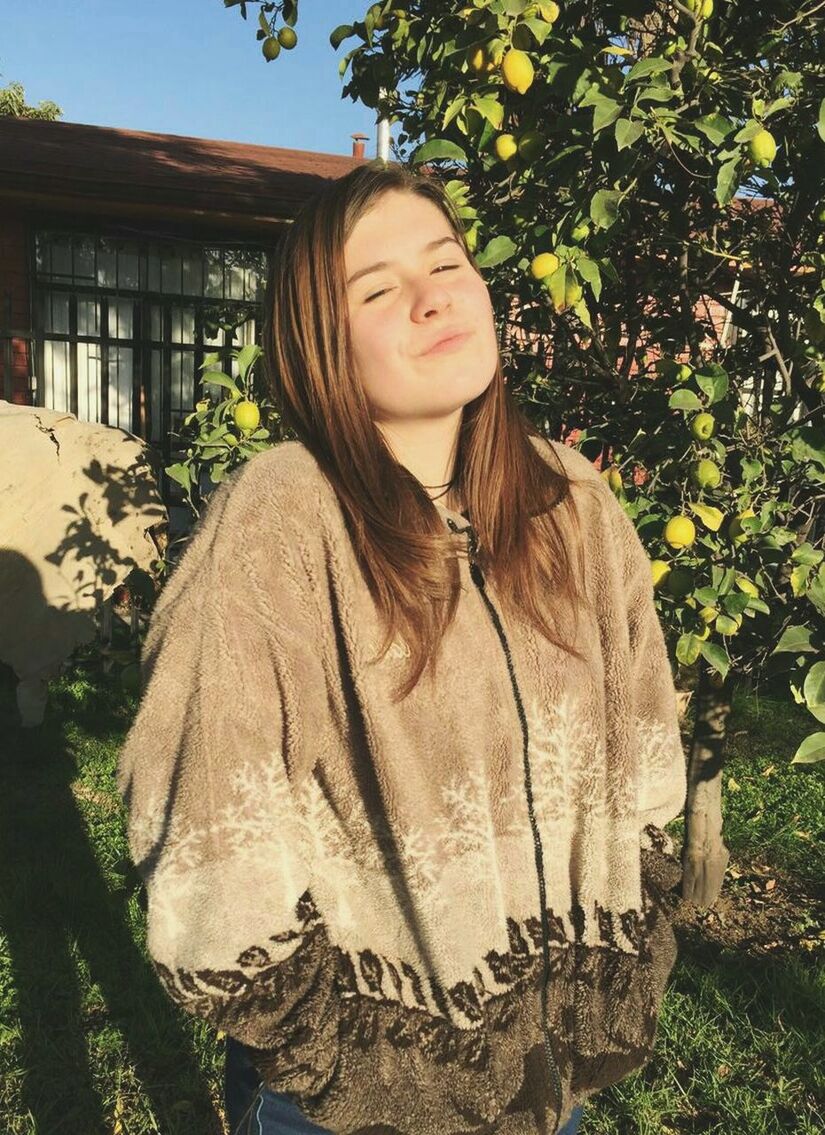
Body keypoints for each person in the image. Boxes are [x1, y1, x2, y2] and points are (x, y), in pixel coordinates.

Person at [116, 160, 687, 1135]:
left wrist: (619, 956)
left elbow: (645, 759)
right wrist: (340, 1064)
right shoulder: (283, 524)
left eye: (447, 262)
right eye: (379, 288)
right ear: (319, 345)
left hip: (549, 1087)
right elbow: (203, 840)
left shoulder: (573, 505)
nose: (432, 298)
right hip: (359, 1108)